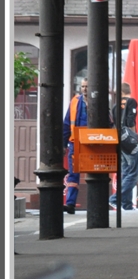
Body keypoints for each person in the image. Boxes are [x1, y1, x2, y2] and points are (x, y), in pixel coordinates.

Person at [109, 83, 138, 211]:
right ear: (128, 90)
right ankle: (115, 198)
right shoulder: (131, 101)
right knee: (134, 173)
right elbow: (130, 120)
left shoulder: (115, 105)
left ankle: (126, 204)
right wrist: (133, 137)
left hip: (118, 139)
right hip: (128, 139)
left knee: (126, 171)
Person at [61, 78, 89, 214]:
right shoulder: (75, 101)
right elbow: (67, 123)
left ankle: (95, 203)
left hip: (93, 141)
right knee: (73, 173)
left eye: (87, 86)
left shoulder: (99, 101)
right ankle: (70, 203)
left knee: (95, 172)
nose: (84, 89)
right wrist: (63, 143)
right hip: (75, 141)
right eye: (83, 86)